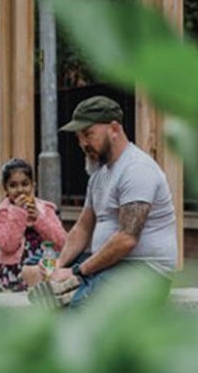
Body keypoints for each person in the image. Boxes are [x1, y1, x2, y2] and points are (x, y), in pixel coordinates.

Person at [39, 96, 179, 306]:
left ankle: (77, 291)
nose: (83, 143)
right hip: (112, 266)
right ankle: (75, 288)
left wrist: (76, 270)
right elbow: (83, 228)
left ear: (114, 129)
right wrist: (60, 263)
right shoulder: (99, 174)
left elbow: (126, 239)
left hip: (144, 271)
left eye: (88, 134)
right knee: (33, 268)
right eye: (79, 137)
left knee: (82, 308)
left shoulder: (136, 169)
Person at [0, 159, 67, 292]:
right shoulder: (1, 213)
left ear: (33, 185)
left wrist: (39, 219)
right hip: (13, 273)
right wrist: (18, 214)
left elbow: (61, 241)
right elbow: (7, 245)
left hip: (44, 271)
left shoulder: (46, 209)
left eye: (25, 184)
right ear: (5, 188)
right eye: (13, 185)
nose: (20, 190)